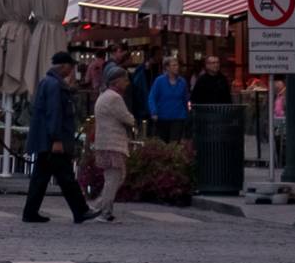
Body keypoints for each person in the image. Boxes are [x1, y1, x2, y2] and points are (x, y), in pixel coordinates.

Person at [22, 51, 91, 225]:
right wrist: (57, 139)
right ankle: (81, 211)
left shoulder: (48, 82)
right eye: (71, 66)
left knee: (41, 178)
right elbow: (54, 114)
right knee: (66, 178)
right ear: (64, 66)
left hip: (46, 141)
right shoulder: (54, 85)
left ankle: (31, 212)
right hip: (52, 142)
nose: (72, 70)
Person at [90, 66, 137, 222]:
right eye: (125, 79)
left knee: (112, 177)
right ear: (117, 81)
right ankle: (100, 209)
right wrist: (133, 121)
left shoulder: (103, 96)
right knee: (115, 177)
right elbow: (127, 118)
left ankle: (105, 209)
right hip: (113, 143)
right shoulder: (115, 98)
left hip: (104, 142)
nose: (127, 83)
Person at [148, 59, 191, 142]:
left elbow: (185, 99)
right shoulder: (159, 81)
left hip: (178, 117)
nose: (177, 67)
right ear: (167, 68)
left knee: (174, 143)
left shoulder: (182, 82)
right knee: (163, 143)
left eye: (177, 65)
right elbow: (152, 97)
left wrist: (187, 113)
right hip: (162, 117)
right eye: (174, 65)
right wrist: (153, 112)